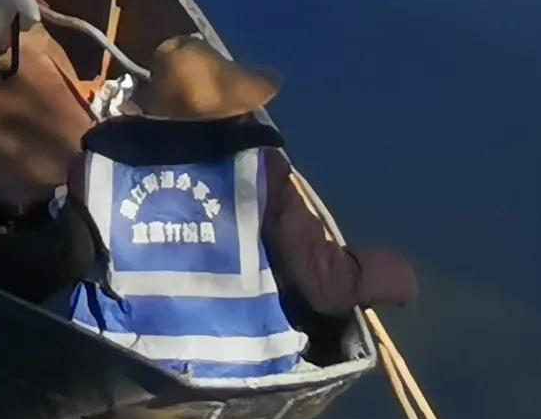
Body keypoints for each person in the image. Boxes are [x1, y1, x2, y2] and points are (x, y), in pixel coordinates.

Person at [56, 36, 416, 383]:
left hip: (122, 368)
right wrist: (389, 276)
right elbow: (324, 286)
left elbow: (69, 264)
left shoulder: (92, 170)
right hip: (256, 371)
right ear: (232, 114)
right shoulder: (262, 169)